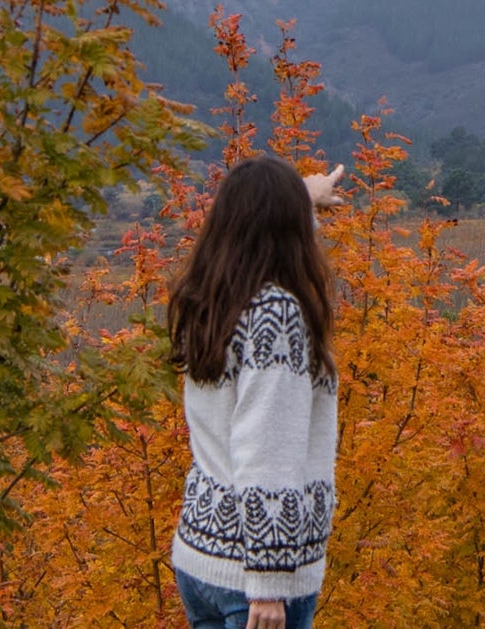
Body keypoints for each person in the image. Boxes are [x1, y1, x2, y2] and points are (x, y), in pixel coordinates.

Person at [169, 156, 345, 629]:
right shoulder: (277, 314)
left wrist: (304, 195)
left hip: (202, 556)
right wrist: (269, 581)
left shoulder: (211, 298)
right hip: (254, 580)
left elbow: (259, 219)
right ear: (288, 230)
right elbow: (266, 447)